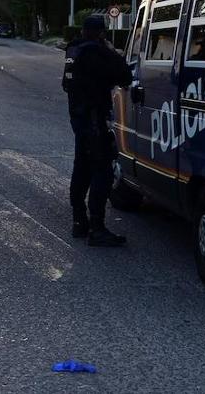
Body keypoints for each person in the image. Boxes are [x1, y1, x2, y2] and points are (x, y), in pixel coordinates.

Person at [62, 14, 133, 246]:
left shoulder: (73, 50)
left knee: (81, 167)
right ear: (101, 32)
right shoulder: (97, 52)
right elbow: (125, 75)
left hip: (78, 119)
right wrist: (111, 50)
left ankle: (79, 222)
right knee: (102, 171)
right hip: (94, 120)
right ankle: (97, 227)